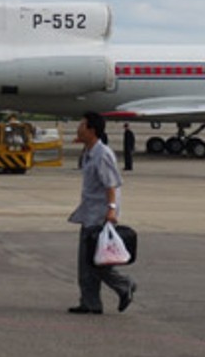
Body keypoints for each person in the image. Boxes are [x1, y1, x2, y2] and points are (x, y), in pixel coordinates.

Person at [66, 112, 136, 314]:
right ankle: (90, 303)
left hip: (100, 215)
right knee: (87, 262)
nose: (78, 128)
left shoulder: (102, 154)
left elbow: (111, 184)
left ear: (91, 130)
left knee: (94, 261)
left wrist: (111, 211)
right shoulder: (89, 152)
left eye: (82, 124)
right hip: (89, 212)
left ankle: (124, 285)